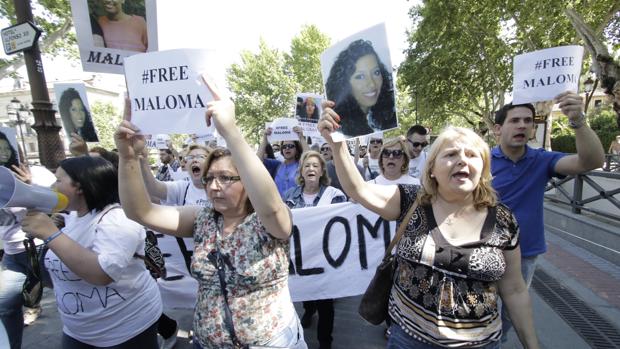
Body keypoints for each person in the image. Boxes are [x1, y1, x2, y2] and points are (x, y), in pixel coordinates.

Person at [319, 101, 540, 348]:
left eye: (471, 155)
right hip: (408, 340)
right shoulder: (410, 200)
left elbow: (515, 291)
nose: (462, 161)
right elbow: (357, 189)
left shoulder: (503, 220)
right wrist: (337, 143)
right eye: (451, 154)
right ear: (432, 168)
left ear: (484, 169)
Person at [115, 77, 307, 348]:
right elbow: (140, 211)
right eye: (209, 178)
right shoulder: (201, 219)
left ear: (248, 181)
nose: (214, 186)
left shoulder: (270, 222)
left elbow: (273, 207)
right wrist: (128, 157)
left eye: (226, 177)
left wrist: (230, 131)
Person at [491, 91, 604, 341]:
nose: (522, 125)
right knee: (483, 313)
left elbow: (592, 161)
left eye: (528, 121)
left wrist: (578, 120)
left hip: (526, 252)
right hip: (483, 252)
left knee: (512, 315)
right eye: (515, 120)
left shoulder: (542, 160)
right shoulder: (481, 160)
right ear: (498, 129)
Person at [21, 156, 162, 348]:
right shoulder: (73, 216)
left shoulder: (118, 220)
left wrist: (51, 234)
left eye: (59, 180)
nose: (53, 186)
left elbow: (102, 274)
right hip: (78, 331)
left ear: (79, 186)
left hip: (125, 330)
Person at [283, 150, 345, 349]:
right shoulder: (289, 196)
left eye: (315, 166)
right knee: (306, 294)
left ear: (321, 172)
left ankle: (325, 342)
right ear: (301, 171)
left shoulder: (335, 196)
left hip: (325, 259)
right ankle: (309, 310)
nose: (311, 169)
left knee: (326, 304)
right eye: (307, 165)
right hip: (301, 257)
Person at [0, 163, 54, 349]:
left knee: (72, 296)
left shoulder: (36, 171)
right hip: (11, 254)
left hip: (40, 248)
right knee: (6, 307)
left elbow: (57, 203)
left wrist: (28, 187)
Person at [325, 39, 396, 137]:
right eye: (360, 76)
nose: (371, 84)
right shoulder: (337, 128)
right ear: (344, 84)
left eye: (376, 73)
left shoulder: (390, 115)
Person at [258, 126, 309, 198]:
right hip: (279, 206)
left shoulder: (301, 165)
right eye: (284, 147)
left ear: (297, 149)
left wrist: (301, 138)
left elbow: (310, 157)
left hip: (297, 206)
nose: (287, 148)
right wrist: (265, 139)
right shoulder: (277, 165)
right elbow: (257, 161)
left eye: (290, 146)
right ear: (281, 150)